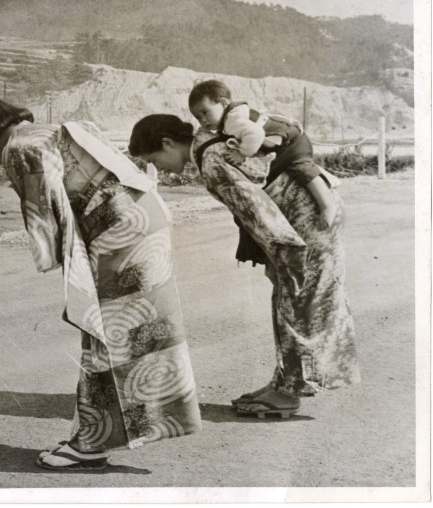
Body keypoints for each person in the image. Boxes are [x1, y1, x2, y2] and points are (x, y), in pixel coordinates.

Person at [0, 93, 201, 471]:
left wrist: (57, 260)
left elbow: (45, 216)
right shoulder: (44, 130)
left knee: (104, 333)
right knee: (138, 332)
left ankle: (91, 443)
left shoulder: (20, 147)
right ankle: (99, 433)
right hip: (143, 217)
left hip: (118, 231)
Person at [128, 114, 360, 419]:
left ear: (168, 143)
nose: (157, 168)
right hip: (305, 215)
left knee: (298, 303)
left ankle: (288, 394)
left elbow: (256, 211)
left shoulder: (211, 161)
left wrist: (282, 258)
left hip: (309, 220)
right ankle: (285, 383)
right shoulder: (207, 145)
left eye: (153, 160)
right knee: (291, 300)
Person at [188, 79, 337, 227]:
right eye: (198, 117)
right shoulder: (228, 120)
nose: (203, 120)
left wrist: (242, 154)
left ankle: (327, 205)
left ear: (224, 103)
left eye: (205, 112)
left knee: (301, 167)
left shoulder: (233, 120)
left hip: (292, 141)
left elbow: (256, 134)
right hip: (277, 145)